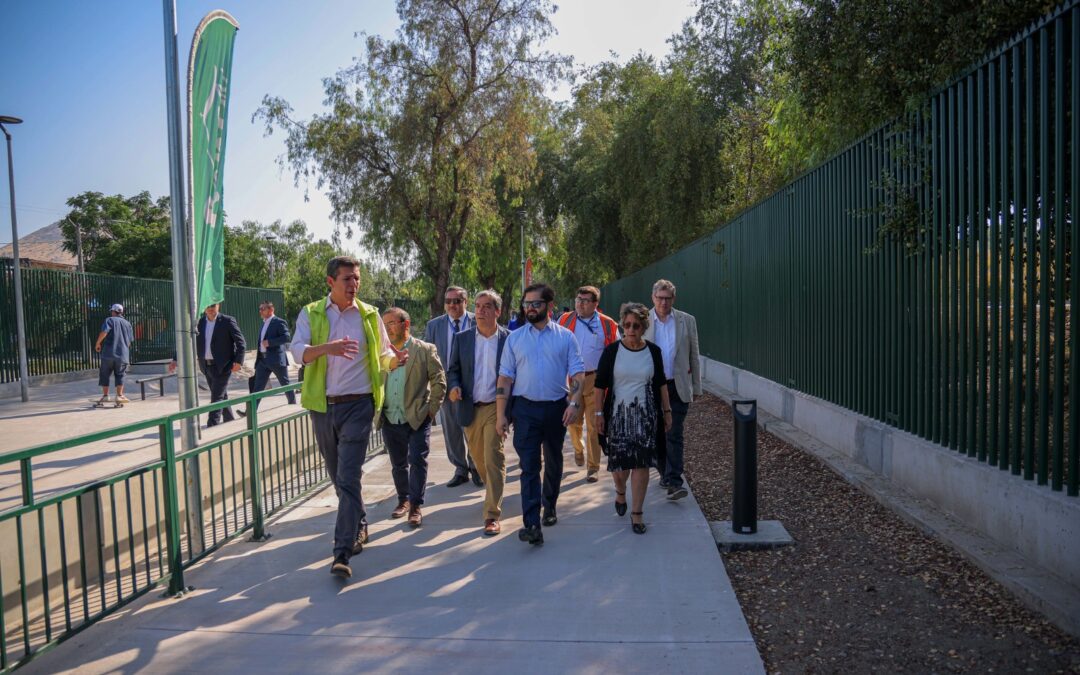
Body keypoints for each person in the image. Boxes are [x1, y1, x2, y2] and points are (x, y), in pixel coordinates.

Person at [290, 256, 405, 579]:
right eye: (347, 279)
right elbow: (298, 353)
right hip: (323, 407)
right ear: (331, 282)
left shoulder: (369, 314)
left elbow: (383, 354)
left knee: (348, 475)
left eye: (357, 278)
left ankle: (342, 552)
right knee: (338, 476)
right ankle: (359, 521)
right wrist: (327, 348)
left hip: (359, 406)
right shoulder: (311, 313)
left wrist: (393, 361)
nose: (354, 284)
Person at [496, 282, 585, 546]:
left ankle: (550, 506)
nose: (530, 308)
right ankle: (532, 523)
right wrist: (501, 415)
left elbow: (578, 373)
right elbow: (505, 378)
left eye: (536, 303)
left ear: (549, 306)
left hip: (557, 408)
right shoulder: (515, 339)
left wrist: (574, 404)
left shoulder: (565, 337)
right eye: (527, 304)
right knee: (529, 466)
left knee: (554, 460)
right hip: (525, 410)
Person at [594, 303, 671, 535]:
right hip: (618, 418)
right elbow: (599, 386)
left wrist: (667, 411)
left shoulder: (653, 352)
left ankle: (637, 513)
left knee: (641, 464)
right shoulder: (612, 351)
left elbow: (661, 383)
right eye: (626, 325)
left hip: (646, 418)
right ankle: (620, 492)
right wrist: (598, 414)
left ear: (643, 327)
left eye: (636, 326)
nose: (630, 330)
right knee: (620, 470)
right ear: (621, 326)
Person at [447, 290, 510, 535]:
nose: (481, 311)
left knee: (493, 456)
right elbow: (453, 369)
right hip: (470, 407)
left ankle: (492, 514)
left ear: (497, 311)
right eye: (478, 306)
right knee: (479, 458)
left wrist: (509, 412)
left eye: (487, 306)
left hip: (496, 406)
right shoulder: (462, 338)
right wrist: (454, 387)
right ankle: (494, 487)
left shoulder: (508, 339)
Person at [378, 307, 445, 528]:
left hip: (417, 417)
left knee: (417, 460)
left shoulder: (424, 350)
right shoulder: (381, 353)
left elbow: (439, 381)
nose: (387, 329)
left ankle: (416, 505)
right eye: (384, 325)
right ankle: (403, 499)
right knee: (398, 464)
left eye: (391, 323)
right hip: (390, 417)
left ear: (405, 324)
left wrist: (431, 410)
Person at [643, 279, 701, 501]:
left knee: (674, 433)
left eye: (667, 298)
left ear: (673, 299)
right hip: (652, 387)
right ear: (653, 297)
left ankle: (675, 481)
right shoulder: (642, 320)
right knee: (657, 434)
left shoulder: (687, 320)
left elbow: (694, 354)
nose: (663, 302)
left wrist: (697, 386)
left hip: (677, 386)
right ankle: (665, 473)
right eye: (660, 298)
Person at [558, 285, 620, 482]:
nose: (580, 304)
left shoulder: (608, 324)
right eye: (578, 300)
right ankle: (578, 448)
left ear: (595, 304)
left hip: (596, 381)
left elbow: (616, 352)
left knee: (594, 425)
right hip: (573, 380)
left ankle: (593, 467)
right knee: (573, 421)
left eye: (585, 301)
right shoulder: (564, 320)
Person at [424, 286, 480, 488]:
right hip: (446, 386)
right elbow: (428, 356)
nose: (452, 305)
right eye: (448, 301)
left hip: (473, 385)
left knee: (472, 429)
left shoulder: (478, 320)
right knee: (451, 430)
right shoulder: (434, 326)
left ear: (466, 302)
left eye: (457, 301)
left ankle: (476, 467)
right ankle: (460, 469)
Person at [193, 303, 246, 427]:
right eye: (208, 306)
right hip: (206, 366)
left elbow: (241, 343)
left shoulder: (227, 321)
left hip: (223, 366)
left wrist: (239, 361)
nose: (210, 309)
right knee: (221, 395)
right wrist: (176, 359)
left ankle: (212, 425)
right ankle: (229, 419)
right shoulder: (200, 323)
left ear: (218, 306)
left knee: (216, 398)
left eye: (213, 306)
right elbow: (189, 340)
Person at [248, 300, 296, 410]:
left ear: (271, 310)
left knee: (285, 383)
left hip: (275, 360)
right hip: (262, 360)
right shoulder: (264, 323)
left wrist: (270, 342)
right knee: (257, 387)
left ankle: (293, 405)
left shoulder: (279, 322)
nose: (260, 311)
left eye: (263, 309)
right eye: (260, 309)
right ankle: (251, 411)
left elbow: (286, 337)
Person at [94, 303, 134, 404]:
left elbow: (104, 332)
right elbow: (129, 342)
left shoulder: (109, 320)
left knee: (105, 374)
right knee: (120, 374)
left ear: (113, 311)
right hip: (122, 354)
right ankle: (119, 396)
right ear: (121, 312)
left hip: (108, 353)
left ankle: (105, 396)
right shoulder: (128, 324)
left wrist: (98, 343)